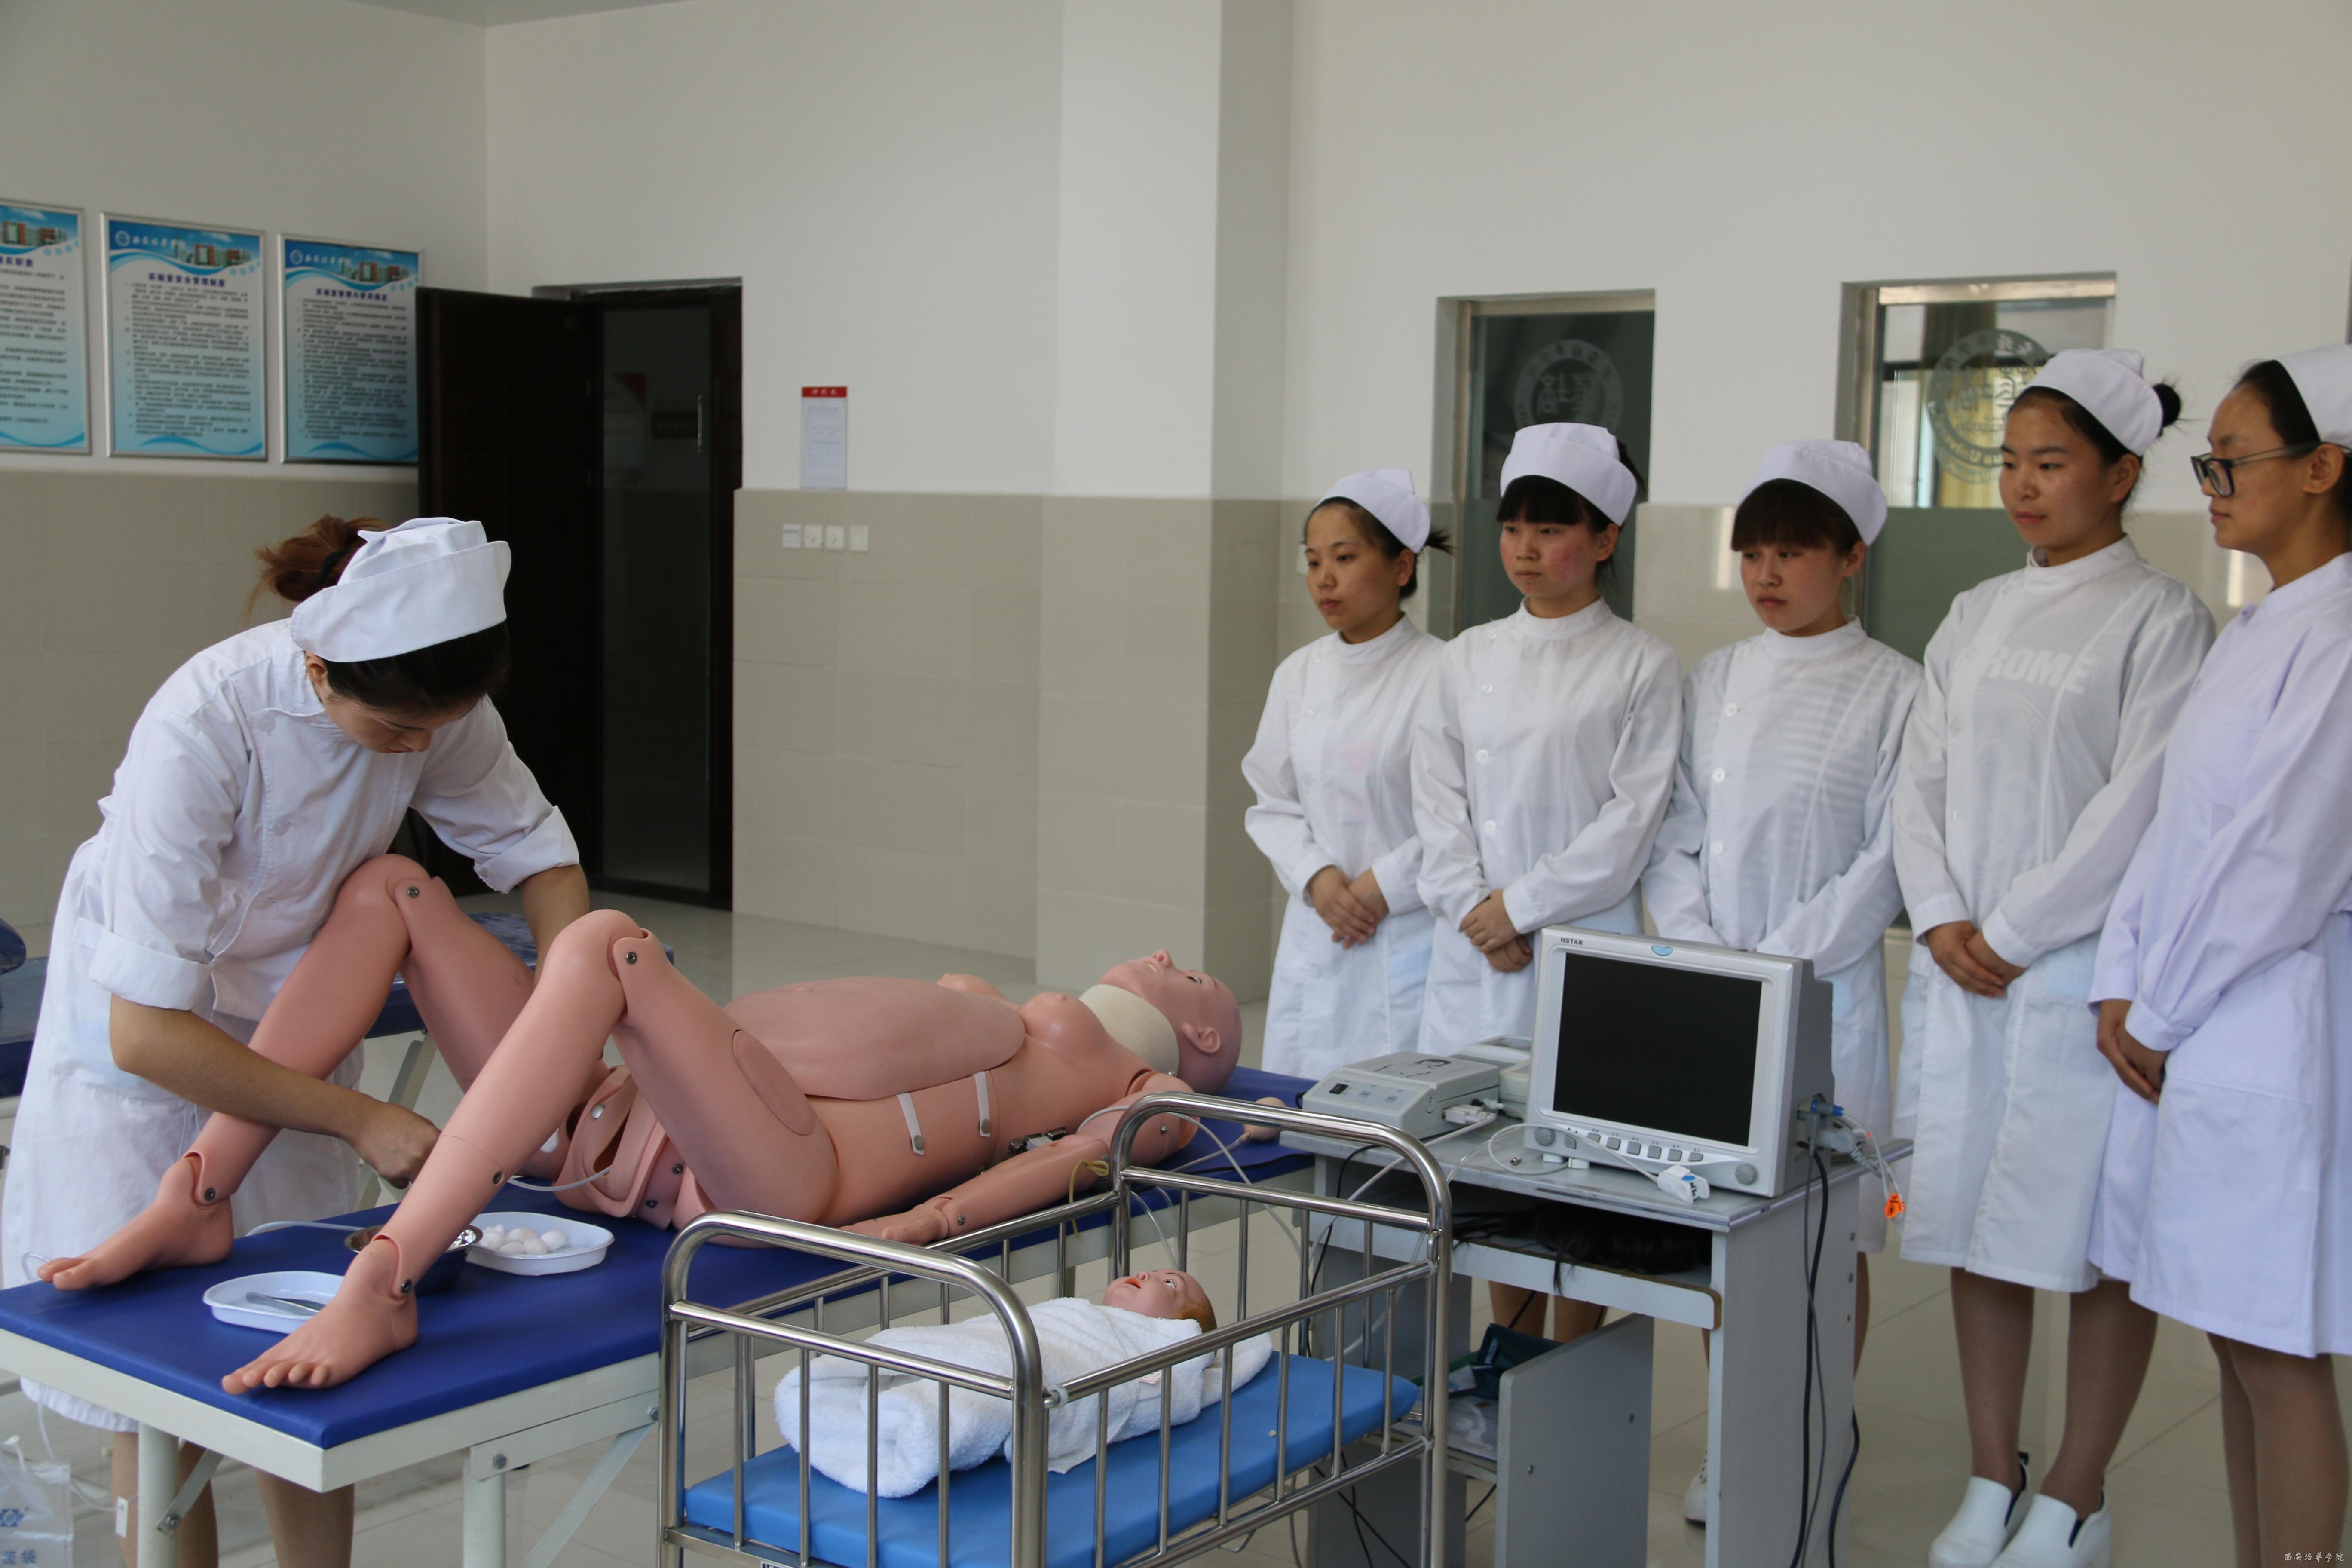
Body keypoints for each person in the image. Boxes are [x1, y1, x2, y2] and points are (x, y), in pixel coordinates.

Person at [45, 865, 1247, 1394]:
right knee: (390, 890)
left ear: (1201, 1038)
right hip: (627, 1116)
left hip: (789, 1173)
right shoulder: (1024, 1012)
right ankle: (197, 1197)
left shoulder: (1147, 1093)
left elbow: (1067, 1167)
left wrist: (909, 1231)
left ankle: (389, 1277)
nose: (1163, 954)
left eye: (1190, 972)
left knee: (608, 946)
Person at [2, 516, 588, 1568]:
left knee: (301, 1327)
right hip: (152, 1025)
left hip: (298, 1004)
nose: (419, 752)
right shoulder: (205, 720)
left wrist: (567, 1001)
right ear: (318, 669)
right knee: (155, 1378)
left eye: (439, 729)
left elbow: (535, 853)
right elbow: (146, 1033)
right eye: (395, 732)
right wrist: (360, 1120)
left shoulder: (430, 702)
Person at [1890, 351, 2213, 1568]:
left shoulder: (2163, 619)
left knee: (2087, 1240)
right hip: (1964, 967)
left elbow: (2140, 802)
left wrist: (2015, 932)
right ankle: (1992, 1475)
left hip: (2078, 975)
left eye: (2053, 463)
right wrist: (1939, 916)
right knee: (1972, 1222)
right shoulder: (1974, 612)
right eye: (2013, 464)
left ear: (2122, 475)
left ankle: (2077, 1491)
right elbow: (1920, 777)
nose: (2024, 487)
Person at [2087, 346, 2352, 1568]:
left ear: (2324, 468)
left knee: (2276, 1349)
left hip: (2265, 1017)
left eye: (2232, 461)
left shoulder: (2338, 634)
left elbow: (2279, 862)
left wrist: (2162, 1007)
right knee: (2236, 1338)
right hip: (2201, 1021)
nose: (2213, 486)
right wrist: (2121, 977)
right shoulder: (2259, 628)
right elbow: (2174, 826)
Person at [1642, 440, 1920, 1525]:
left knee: (1830, 1229)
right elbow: (1676, 828)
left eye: (1792, 553)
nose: (1766, 574)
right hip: (1716, 991)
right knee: (1728, 1226)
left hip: (1824, 993)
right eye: (1752, 553)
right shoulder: (1716, 678)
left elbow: (1888, 855)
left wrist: (1785, 960)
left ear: (1850, 558)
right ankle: (1735, 1434)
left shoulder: (1897, 690)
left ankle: (1818, 1430)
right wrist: (1707, 950)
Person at [1412, 421, 1681, 1341]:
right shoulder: (1465, 657)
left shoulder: (1642, 663)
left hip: (1582, 944)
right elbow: (1436, 799)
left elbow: (1632, 822)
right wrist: (1474, 909)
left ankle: (1572, 1359)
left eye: (1552, 529)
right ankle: (1510, 1356)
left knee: (1581, 1165)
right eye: (1513, 527)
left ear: (1606, 539)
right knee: (1485, 1163)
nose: (1525, 548)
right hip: (1476, 951)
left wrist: (1518, 908)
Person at [1243, 469, 1449, 1078]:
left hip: (1407, 929)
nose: (1324, 579)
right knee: (1296, 1106)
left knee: (1395, 1101)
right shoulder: (1298, 675)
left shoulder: (1443, 673)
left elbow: (1458, 813)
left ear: (1402, 567)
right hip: (1319, 926)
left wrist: (1385, 885)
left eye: (1345, 558)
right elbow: (1272, 802)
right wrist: (1318, 877)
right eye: (1313, 562)